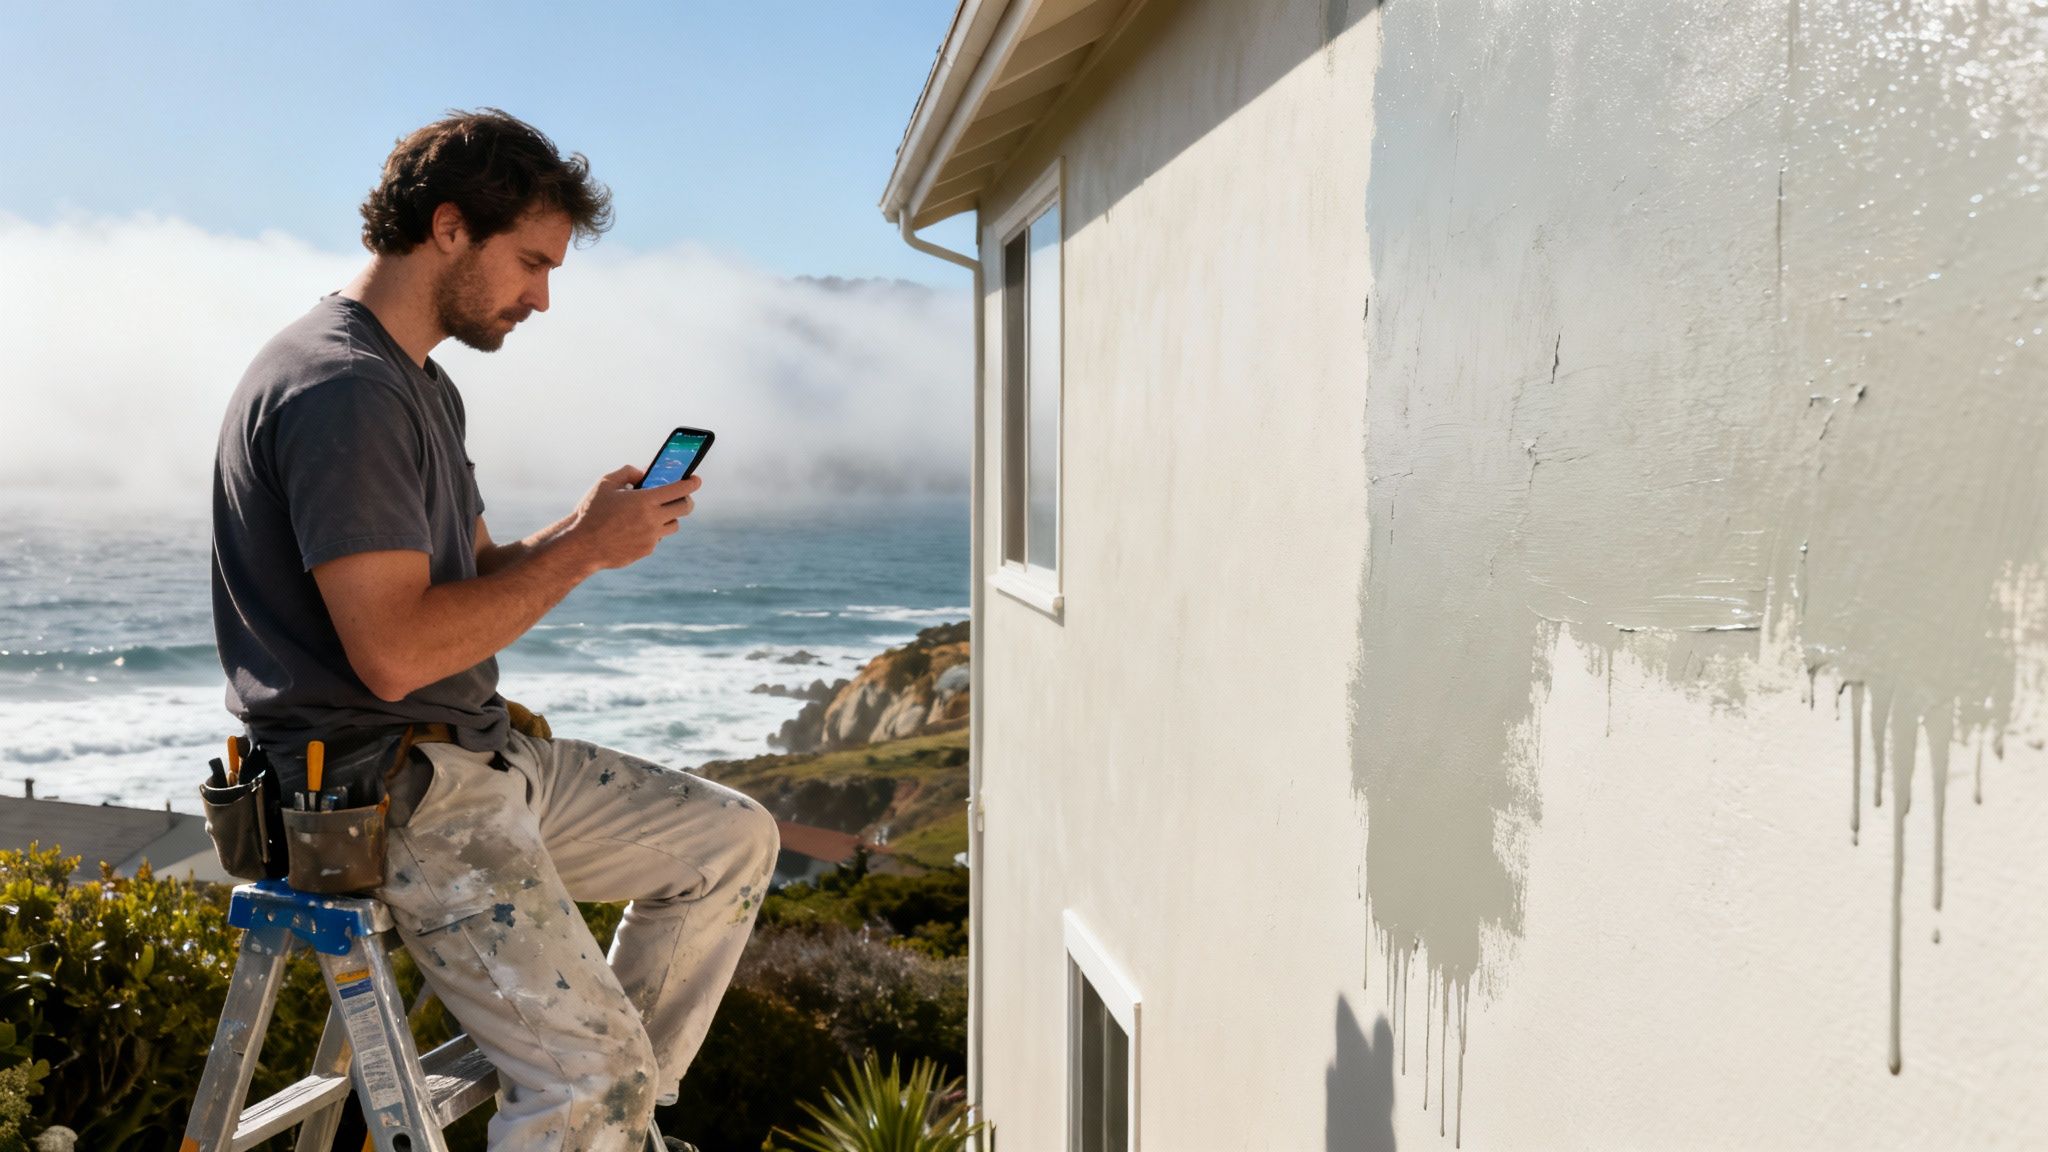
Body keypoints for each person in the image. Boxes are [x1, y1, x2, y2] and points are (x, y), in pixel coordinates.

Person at [210, 108, 778, 1151]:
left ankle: (622, 1125)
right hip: (383, 789)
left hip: (472, 753)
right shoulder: (341, 389)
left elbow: (467, 580)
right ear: (447, 228)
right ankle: (598, 1110)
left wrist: (582, 527)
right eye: (529, 263)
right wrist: (584, 553)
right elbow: (393, 655)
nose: (541, 297)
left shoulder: (420, 382)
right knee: (585, 1083)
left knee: (733, 838)